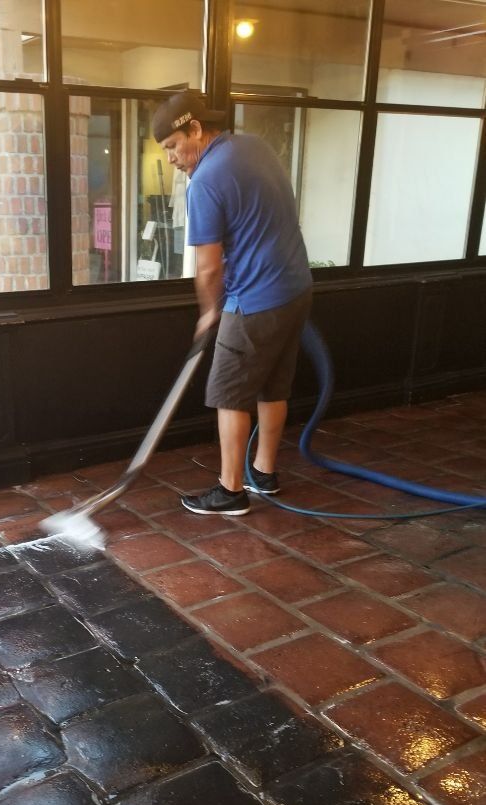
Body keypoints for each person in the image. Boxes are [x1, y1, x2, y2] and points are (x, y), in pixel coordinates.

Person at [152, 91, 313, 516]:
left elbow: (207, 269)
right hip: (295, 288)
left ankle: (231, 491)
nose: (171, 158)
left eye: (172, 146)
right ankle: (264, 473)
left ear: (196, 130)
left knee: (230, 395)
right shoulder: (253, 146)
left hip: (254, 300)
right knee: (273, 385)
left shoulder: (204, 181)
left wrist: (209, 311)